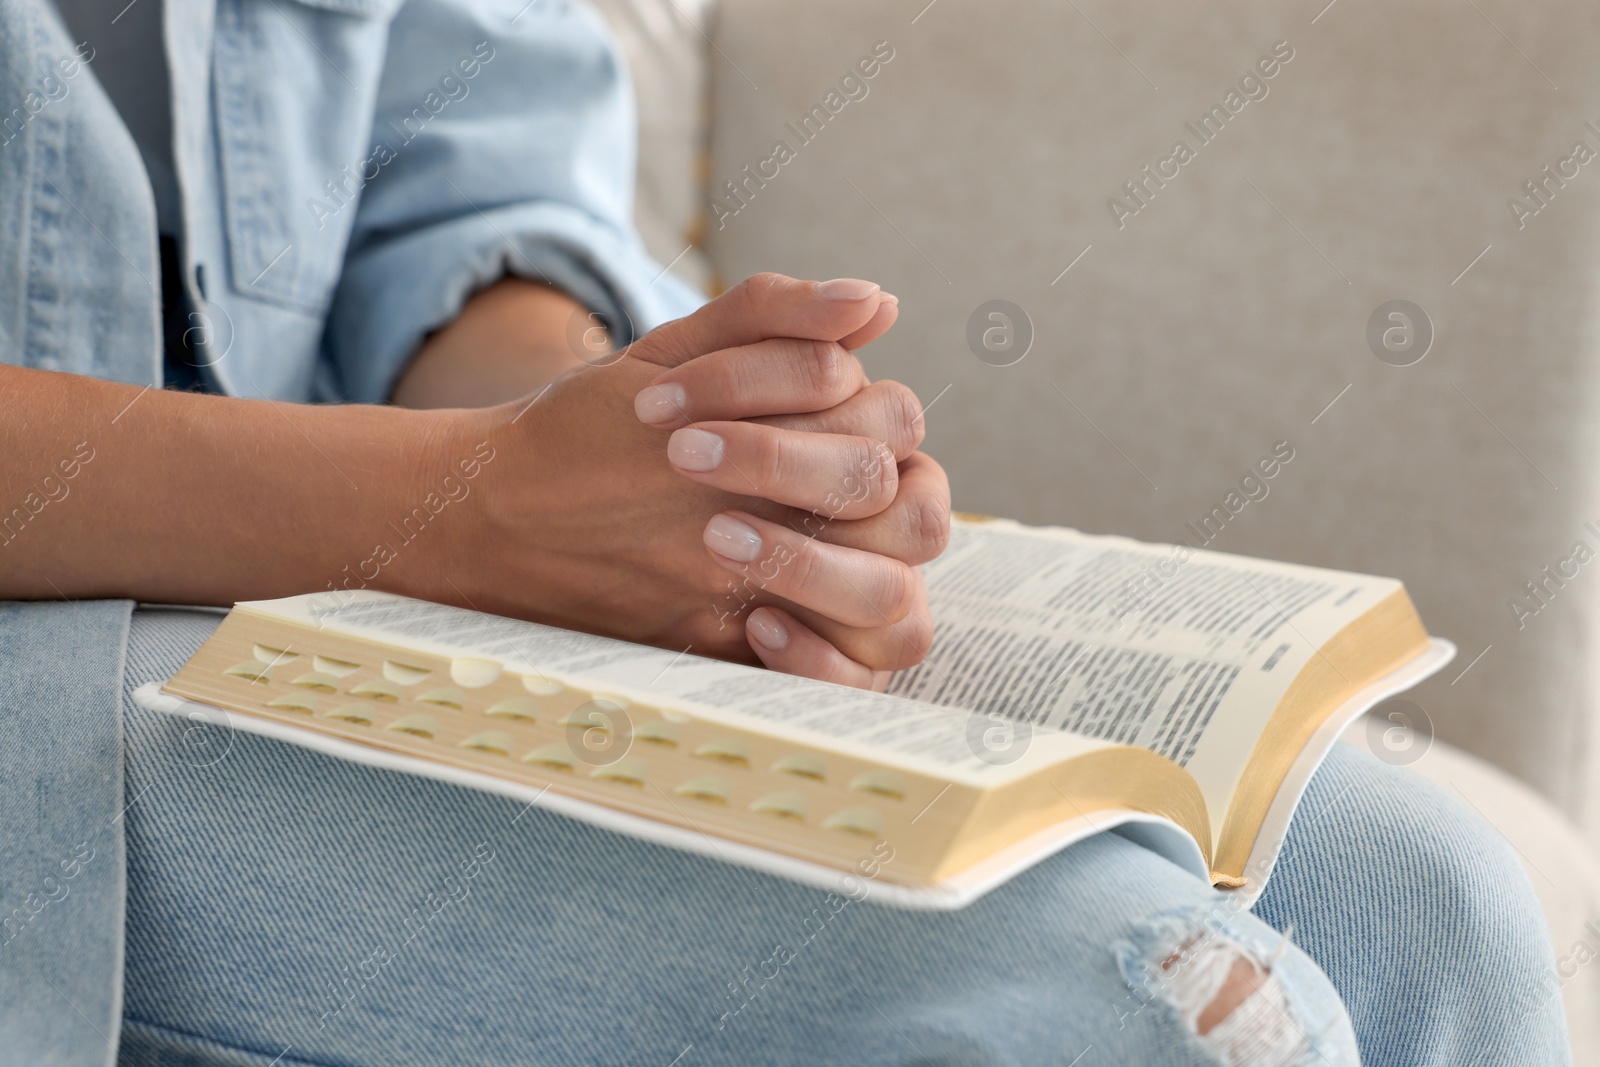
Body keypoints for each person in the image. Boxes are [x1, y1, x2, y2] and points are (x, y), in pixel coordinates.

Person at [0, 0, 1571, 1063]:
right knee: (1142, 1004)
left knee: (1432, 904)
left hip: (382, 562)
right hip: (54, 672)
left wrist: (651, 466)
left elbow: (455, 185)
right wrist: (458, 515)